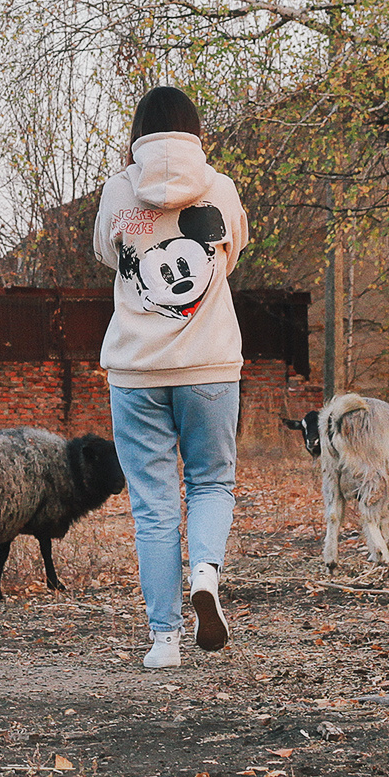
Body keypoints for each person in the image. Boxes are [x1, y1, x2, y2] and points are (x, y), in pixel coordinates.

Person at [94, 85, 249, 670]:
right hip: (209, 365)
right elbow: (228, 257)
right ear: (194, 132)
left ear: (139, 133)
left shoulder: (118, 190)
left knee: (154, 506)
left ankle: (165, 640)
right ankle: (205, 573)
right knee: (211, 482)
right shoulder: (220, 188)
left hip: (135, 370)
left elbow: (109, 257)